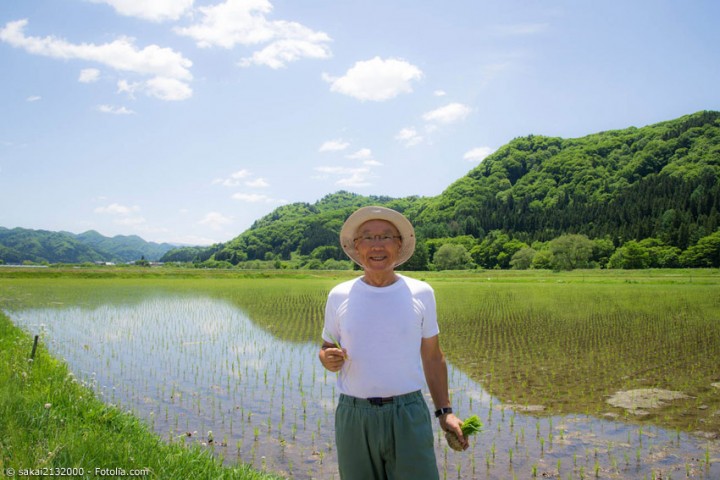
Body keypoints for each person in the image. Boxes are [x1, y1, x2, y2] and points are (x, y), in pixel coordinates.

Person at [318, 205, 468, 480]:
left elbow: (433, 357)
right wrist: (326, 357)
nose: (378, 245)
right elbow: (327, 346)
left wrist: (445, 412)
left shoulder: (421, 293)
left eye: (386, 236)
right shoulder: (338, 295)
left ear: (399, 246)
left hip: (408, 413)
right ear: (356, 246)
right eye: (368, 237)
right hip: (354, 415)